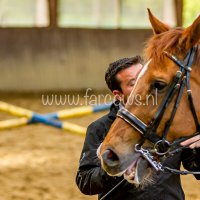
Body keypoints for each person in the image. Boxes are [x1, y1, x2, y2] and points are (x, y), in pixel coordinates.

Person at [76, 56, 200, 200]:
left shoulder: (169, 121)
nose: (143, 86)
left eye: (144, 78)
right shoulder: (99, 128)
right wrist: (115, 167)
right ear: (118, 95)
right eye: (133, 83)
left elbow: (195, 167)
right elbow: (85, 181)